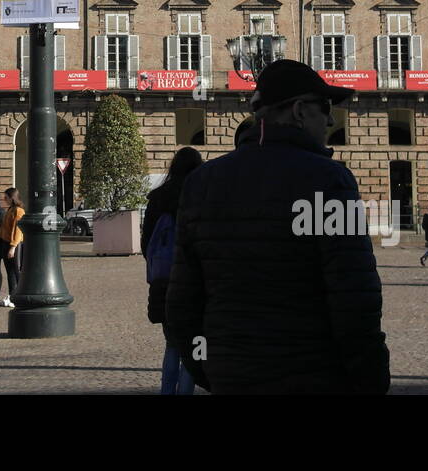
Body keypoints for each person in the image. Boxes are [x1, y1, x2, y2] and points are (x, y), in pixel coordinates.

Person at [165, 59, 390, 395]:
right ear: (299, 111)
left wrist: (210, 369)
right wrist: (370, 378)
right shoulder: (328, 179)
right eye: (324, 107)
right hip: (314, 373)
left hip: (231, 373)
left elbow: (182, 300)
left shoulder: (201, 182)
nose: (330, 119)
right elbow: (353, 296)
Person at [142, 146, 203, 395]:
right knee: (191, 345)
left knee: (171, 344)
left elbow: (147, 242)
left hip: (165, 278)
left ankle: (167, 392)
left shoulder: (158, 197)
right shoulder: (200, 193)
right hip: (194, 278)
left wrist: (157, 264)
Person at [0, 188, 24, 306]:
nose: (4, 199)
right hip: (6, 242)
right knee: (10, 272)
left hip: (13, 244)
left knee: (16, 270)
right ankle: (13, 295)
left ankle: (19, 295)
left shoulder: (18, 211)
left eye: (6, 197)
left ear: (12, 198)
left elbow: (17, 230)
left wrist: (13, 246)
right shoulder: (10, 209)